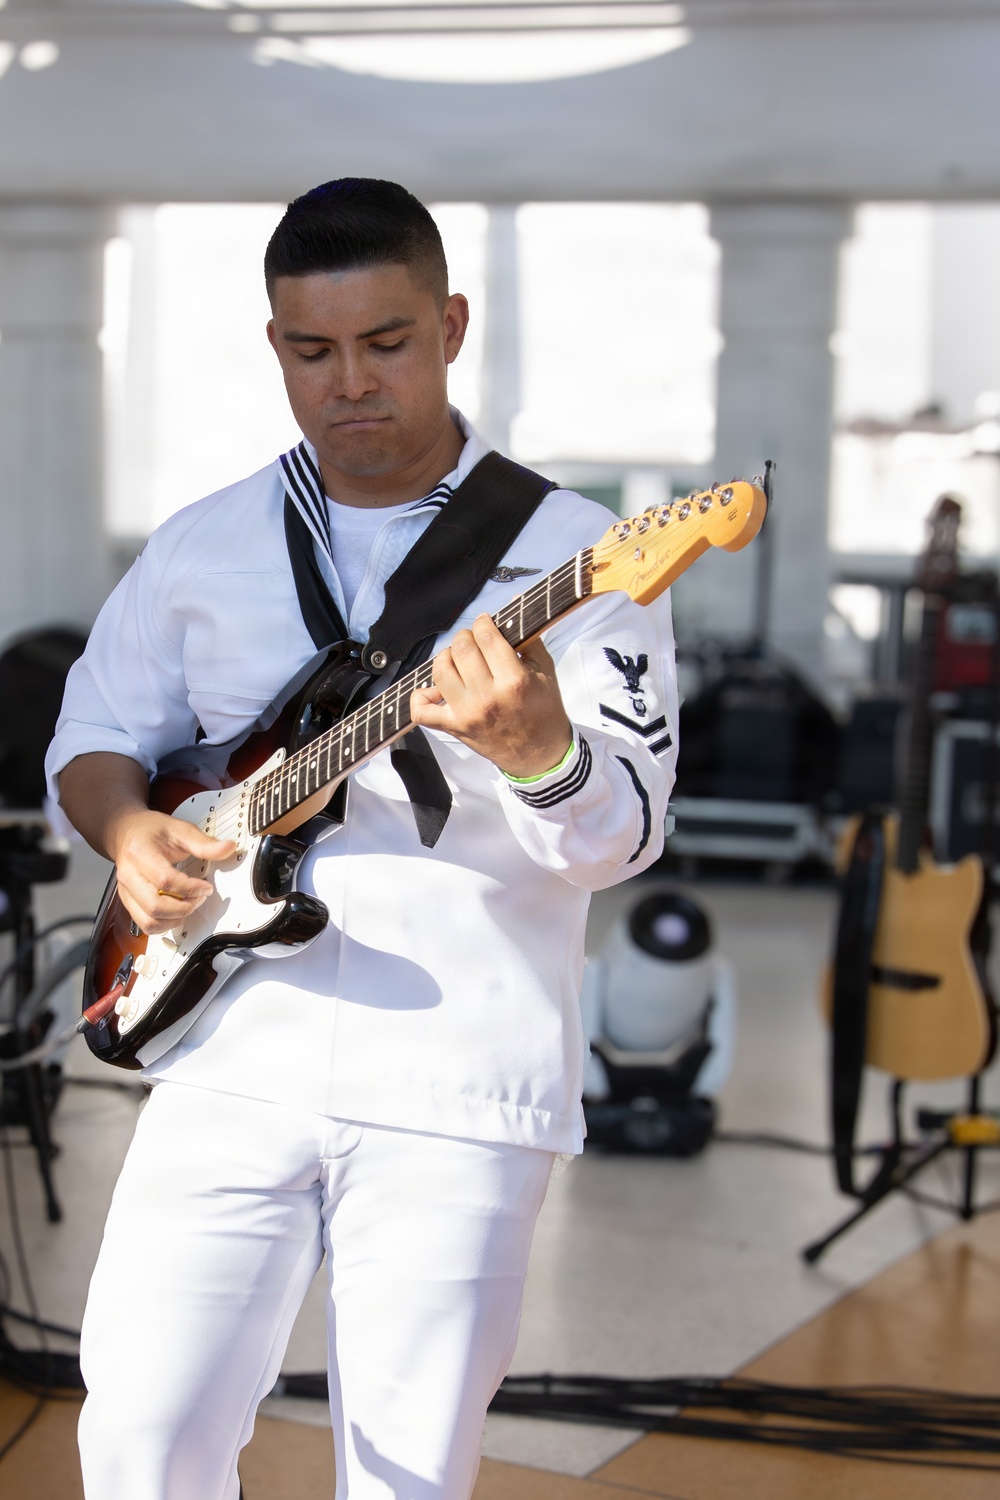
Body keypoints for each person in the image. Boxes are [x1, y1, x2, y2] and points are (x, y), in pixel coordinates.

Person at [46, 178, 678, 1500]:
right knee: (138, 1438)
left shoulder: (589, 554)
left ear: (450, 325)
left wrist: (541, 754)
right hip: (222, 1058)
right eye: (313, 350)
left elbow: (623, 838)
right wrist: (129, 831)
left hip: (461, 1080)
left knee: (407, 1477)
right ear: (274, 344)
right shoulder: (204, 543)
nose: (351, 383)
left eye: (386, 343)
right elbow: (94, 734)